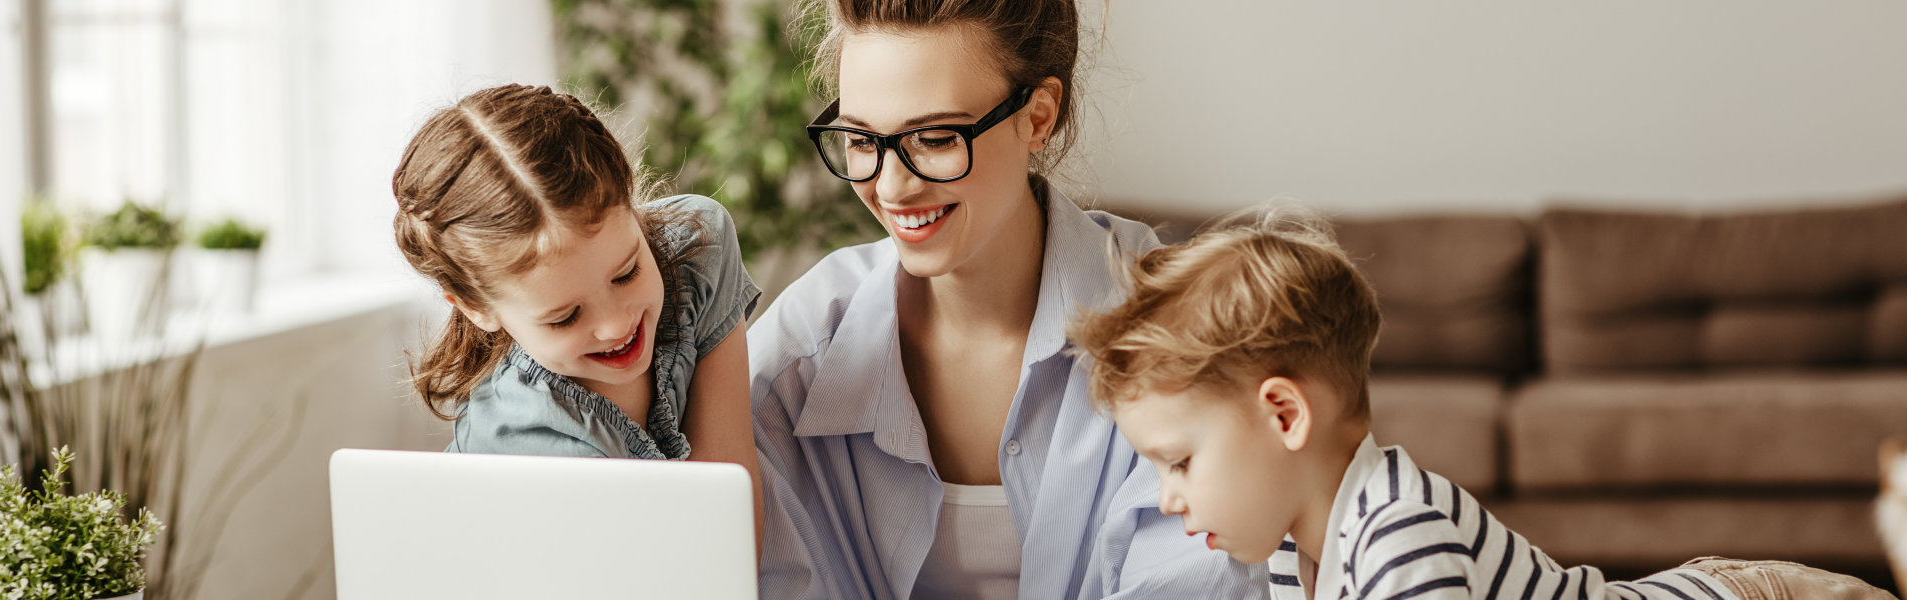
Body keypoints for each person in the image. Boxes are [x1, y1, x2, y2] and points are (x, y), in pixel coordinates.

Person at [1067, 207, 1897, 600]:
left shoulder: (1398, 528)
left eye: (1178, 461)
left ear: (1285, 415)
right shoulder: (1292, 560)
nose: (1167, 496)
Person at [747, 1, 1281, 597]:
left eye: (936, 137)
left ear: (1038, 115)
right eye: (861, 139)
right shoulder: (797, 360)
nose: (892, 187)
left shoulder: (1182, 329)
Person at [390, 84, 763, 528]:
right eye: (565, 317)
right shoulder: (519, 437)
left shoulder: (700, 248)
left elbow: (729, 515)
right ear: (475, 307)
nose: (616, 324)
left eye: (626, 273)